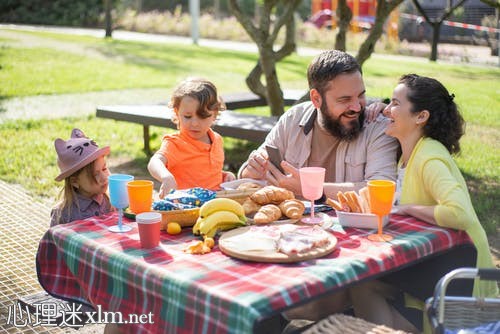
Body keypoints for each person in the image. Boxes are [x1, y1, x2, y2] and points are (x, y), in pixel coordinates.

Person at [350, 74, 498, 330]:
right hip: (439, 261)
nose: (387, 109)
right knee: (364, 283)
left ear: (421, 116)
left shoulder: (429, 156)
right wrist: (377, 105)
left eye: (395, 103)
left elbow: (460, 213)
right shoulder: (410, 154)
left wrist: (406, 209)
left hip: (461, 274)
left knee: (363, 283)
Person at [238, 50, 399, 199]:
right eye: (345, 100)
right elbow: (250, 175)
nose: (357, 107)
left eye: (361, 95)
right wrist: (251, 171)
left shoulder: (378, 127)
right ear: (316, 98)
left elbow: (381, 192)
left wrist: (311, 188)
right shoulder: (293, 119)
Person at [148, 77, 236, 198]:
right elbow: (154, 162)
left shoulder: (217, 140)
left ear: (214, 114)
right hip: (183, 207)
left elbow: (202, 171)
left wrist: (223, 176)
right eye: (188, 116)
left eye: (202, 116)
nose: (194, 123)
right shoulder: (175, 142)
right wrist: (166, 176)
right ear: (177, 112)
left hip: (214, 206)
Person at [50, 128, 112, 227]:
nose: (104, 177)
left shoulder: (110, 202)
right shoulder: (64, 215)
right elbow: (55, 240)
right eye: (95, 175)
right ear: (74, 181)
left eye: (104, 168)